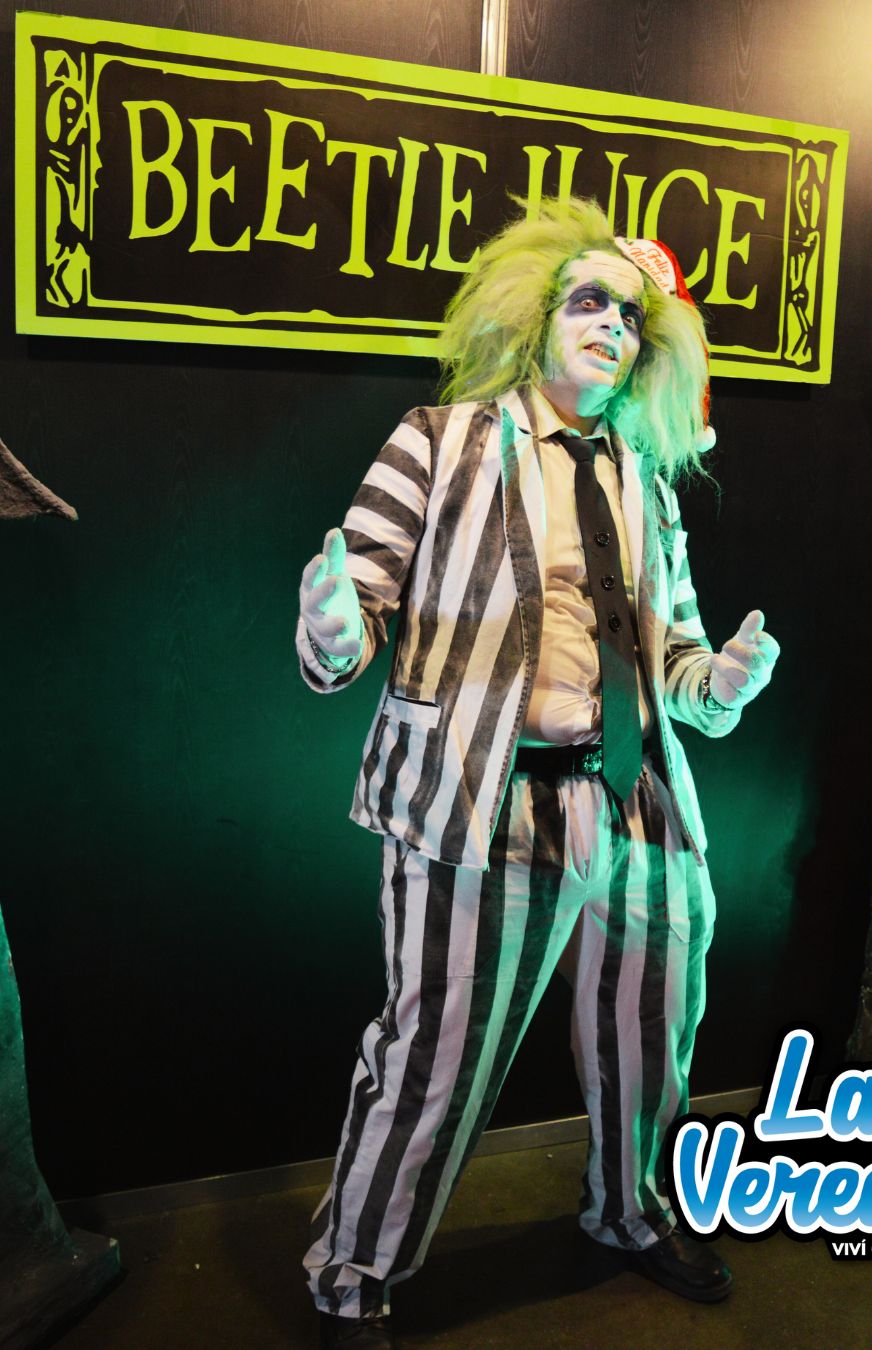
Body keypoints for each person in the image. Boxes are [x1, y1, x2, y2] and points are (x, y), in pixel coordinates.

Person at [296, 197, 779, 1348]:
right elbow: (353, 614)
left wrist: (721, 682)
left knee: (653, 1031)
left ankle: (628, 1211)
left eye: (633, 315)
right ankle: (352, 1278)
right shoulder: (440, 439)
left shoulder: (646, 478)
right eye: (590, 301)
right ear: (537, 317)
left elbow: (674, 654)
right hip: (483, 802)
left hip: (641, 798)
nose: (612, 325)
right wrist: (330, 626)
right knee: (437, 1055)